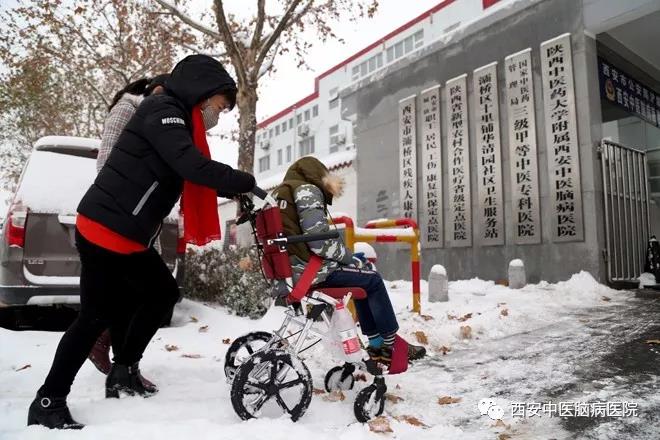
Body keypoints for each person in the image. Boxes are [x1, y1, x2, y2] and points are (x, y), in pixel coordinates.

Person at [27, 54, 256, 430]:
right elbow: (190, 165)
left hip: (127, 234)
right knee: (94, 317)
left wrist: (232, 192)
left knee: (161, 294)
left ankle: (123, 370)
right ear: (202, 93)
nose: (218, 116)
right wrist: (245, 182)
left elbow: (183, 172)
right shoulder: (163, 109)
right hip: (106, 229)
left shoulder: (175, 115)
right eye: (219, 107)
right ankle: (48, 401)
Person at [273, 157, 425, 369]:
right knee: (372, 280)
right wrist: (348, 257)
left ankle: (376, 343)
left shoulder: (282, 192)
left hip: (290, 270)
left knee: (362, 278)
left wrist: (348, 259)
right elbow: (318, 242)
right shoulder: (307, 191)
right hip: (308, 272)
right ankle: (387, 344)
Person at [87, 74, 170, 390]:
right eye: (162, 92)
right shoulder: (127, 107)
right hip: (123, 218)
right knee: (144, 293)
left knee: (143, 294)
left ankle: (123, 364)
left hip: (143, 218)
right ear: (149, 90)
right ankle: (110, 349)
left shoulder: (152, 116)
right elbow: (106, 159)